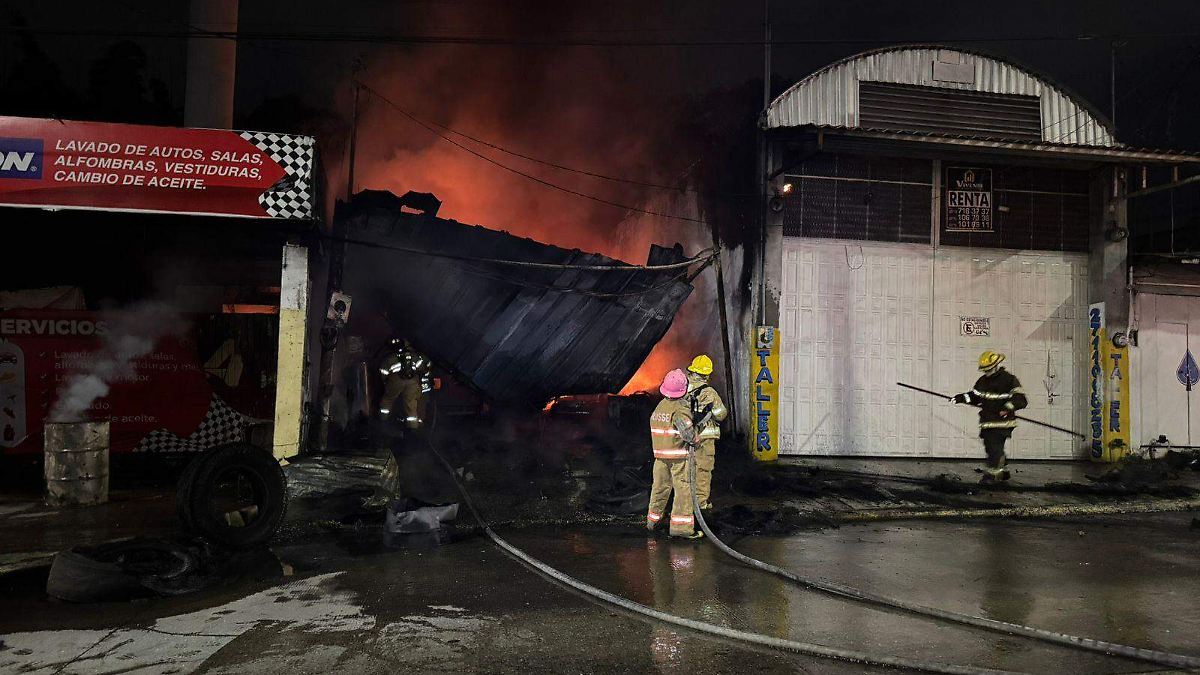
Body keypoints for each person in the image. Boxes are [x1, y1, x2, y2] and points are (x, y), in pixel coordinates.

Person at [952, 351, 1027, 483]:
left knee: (994, 449)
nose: (986, 372)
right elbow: (975, 396)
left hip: (1002, 423)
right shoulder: (983, 381)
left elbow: (1021, 400)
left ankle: (991, 476)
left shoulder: (1009, 380)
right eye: (985, 370)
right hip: (987, 422)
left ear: (996, 366)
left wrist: (1007, 408)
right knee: (991, 447)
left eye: (988, 369)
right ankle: (1003, 472)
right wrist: (960, 398)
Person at [646, 369, 702, 540]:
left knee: (659, 488)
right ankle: (681, 529)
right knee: (683, 490)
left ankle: (652, 522)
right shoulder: (679, 409)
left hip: (660, 458)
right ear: (683, 390)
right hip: (678, 458)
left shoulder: (660, 407)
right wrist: (696, 438)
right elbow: (687, 434)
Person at [684, 354, 728, 510]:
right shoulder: (709, 392)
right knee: (703, 469)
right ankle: (700, 503)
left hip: (686, 436)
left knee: (686, 468)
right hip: (705, 437)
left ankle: (685, 500)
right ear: (707, 374)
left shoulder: (682, 388)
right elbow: (721, 414)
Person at [378, 338, 432, 430]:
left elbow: (383, 373)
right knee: (411, 404)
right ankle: (413, 428)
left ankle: (382, 421)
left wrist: (386, 383)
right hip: (413, 382)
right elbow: (423, 369)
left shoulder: (389, 358)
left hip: (395, 381)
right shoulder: (414, 356)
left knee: (387, 400)